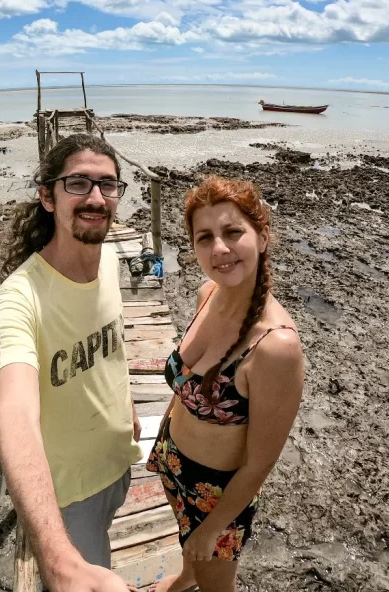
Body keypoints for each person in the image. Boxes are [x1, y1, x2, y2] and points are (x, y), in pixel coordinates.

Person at [0, 134, 142, 592]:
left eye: (108, 185)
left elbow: (110, 351)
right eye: (78, 184)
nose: (96, 198)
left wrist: (129, 409)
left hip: (119, 459)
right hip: (69, 493)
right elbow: (15, 409)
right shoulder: (20, 297)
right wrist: (56, 562)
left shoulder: (112, 259)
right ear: (47, 196)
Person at [146, 176, 305, 592]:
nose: (219, 248)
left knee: (217, 585)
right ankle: (184, 580)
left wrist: (212, 528)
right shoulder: (207, 292)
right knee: (191, 558)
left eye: (233, 232)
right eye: (205, 237)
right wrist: (162, 444)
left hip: (217, 495)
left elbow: (259, 463)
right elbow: (188, 385)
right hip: (172, 460)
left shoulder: (276, 347)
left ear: (263, 237)